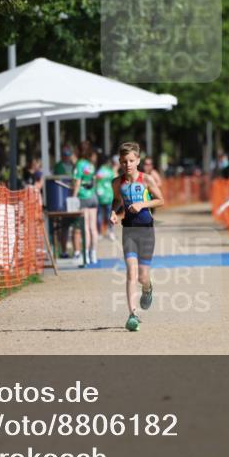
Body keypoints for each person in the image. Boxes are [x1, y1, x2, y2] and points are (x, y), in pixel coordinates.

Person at [109, 141, 164, 332]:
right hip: (129, 231)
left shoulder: (146, 179)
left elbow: (161, 200)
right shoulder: (117, 183)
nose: (128, 165)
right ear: (120, 162)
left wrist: (142, 205)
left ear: (138, 160)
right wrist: (114, 212)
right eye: (124, 161)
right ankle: (132, 314)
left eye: (131, 160)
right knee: (131, 273)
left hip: (147, 231)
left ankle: (148, 288)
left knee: (142, 277)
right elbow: (116, 200)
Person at [71, 141, 99, 265]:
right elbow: (93, 180)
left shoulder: (79, 165)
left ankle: (86, 254)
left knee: (85, 227)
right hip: (93, 197)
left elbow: (77, 183)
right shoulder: (90, 165)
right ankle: (94, 254)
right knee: (93, 227)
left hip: (83, 197)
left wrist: (73, 197)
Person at [96, 153, 116, 241]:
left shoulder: (99, 171)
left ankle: (100, 233)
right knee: (110, 215)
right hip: (109, 196)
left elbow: (97, 183)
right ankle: (111, 232)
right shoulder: (110, 171)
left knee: (99, 215)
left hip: (100, 196)